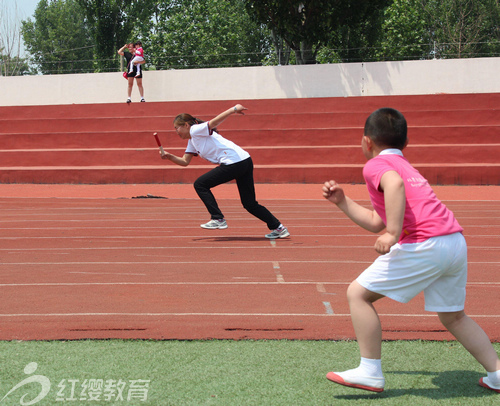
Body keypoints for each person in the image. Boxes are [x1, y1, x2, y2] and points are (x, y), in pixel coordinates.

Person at [322, 107, 500, 393]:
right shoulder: (406, 166)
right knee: (454, 316)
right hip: (453, 240)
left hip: (426, 243)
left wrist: (393, 233)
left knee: (358, 294)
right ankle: (498, 373)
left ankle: (369, 371)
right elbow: (375, 221)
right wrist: (343, 202)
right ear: (405, 144)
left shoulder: (378, 168)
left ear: (367, 141)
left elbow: (393, 188)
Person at [159, 104, 290, 239]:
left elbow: (214, 122)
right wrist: (169, 157)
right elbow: (185, 162)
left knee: (200, 184)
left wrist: (233, 109)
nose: (176, 131)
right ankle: (278, 228)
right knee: (249, 203)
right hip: (244, 160)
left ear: (186, 125)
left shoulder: (194, 130)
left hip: (234, 162)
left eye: (177, 128)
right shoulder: (192, 141)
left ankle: (218, 219)